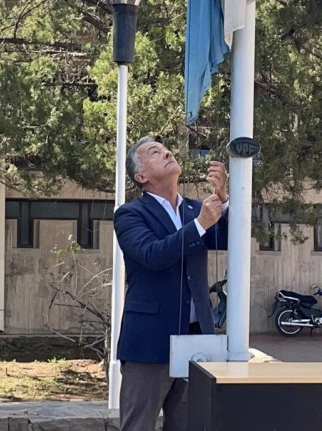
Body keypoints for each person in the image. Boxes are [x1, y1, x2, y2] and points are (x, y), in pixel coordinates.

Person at [114, 137, 229, 431]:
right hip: (150, 343)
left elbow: (227, 240)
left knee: (191, 424)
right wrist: (201, 224)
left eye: (165, 149)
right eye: (155, 152)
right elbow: (152, 255)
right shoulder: (130, 215)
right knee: (138, 425)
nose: (167, 152)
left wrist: (224, 199)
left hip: (195, 339)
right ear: (142, 176)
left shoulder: (194, 209)